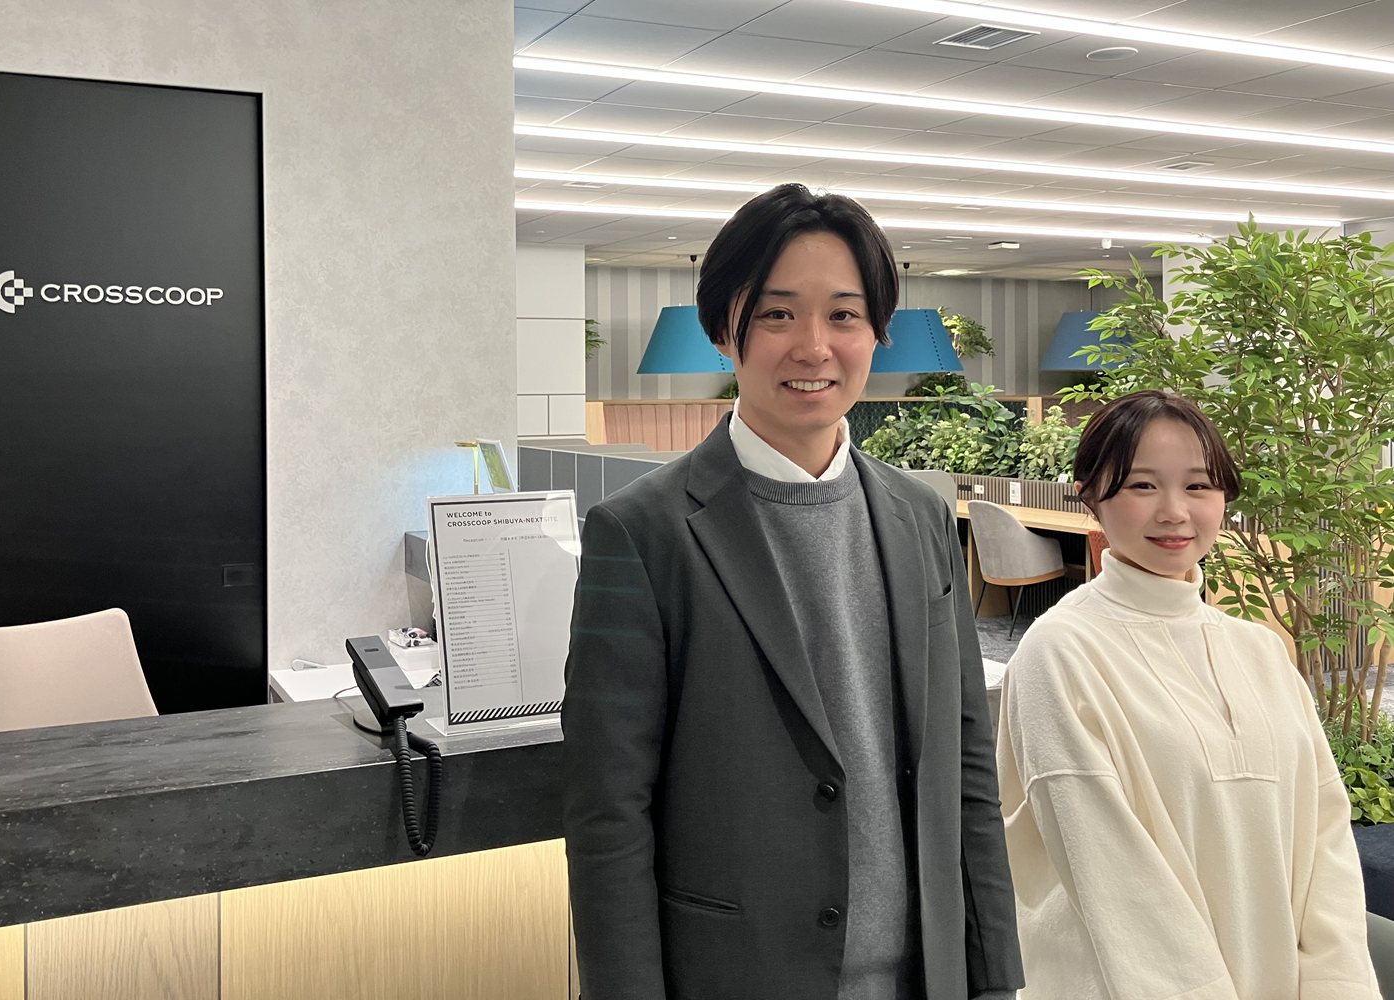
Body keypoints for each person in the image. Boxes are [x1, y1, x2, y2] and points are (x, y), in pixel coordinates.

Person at [562, 183, 1023, 1000]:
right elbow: (609, 814)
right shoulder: (643, 532)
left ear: (878, 332)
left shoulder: (920, 515)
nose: (814, 347)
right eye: (777, 314)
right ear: (723, 331)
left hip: (922, 976)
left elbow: (966, 770)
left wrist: (992, 976)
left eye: (844, 315)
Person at [996, 389, 1379, 999]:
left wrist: (1339, 986)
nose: (1174, 512)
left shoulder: (1259, 651)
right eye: (1142, 485)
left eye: (1198, 486)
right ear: (1092, 496)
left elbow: (1325, 841)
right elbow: (1116, 879)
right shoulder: (1061, 651)